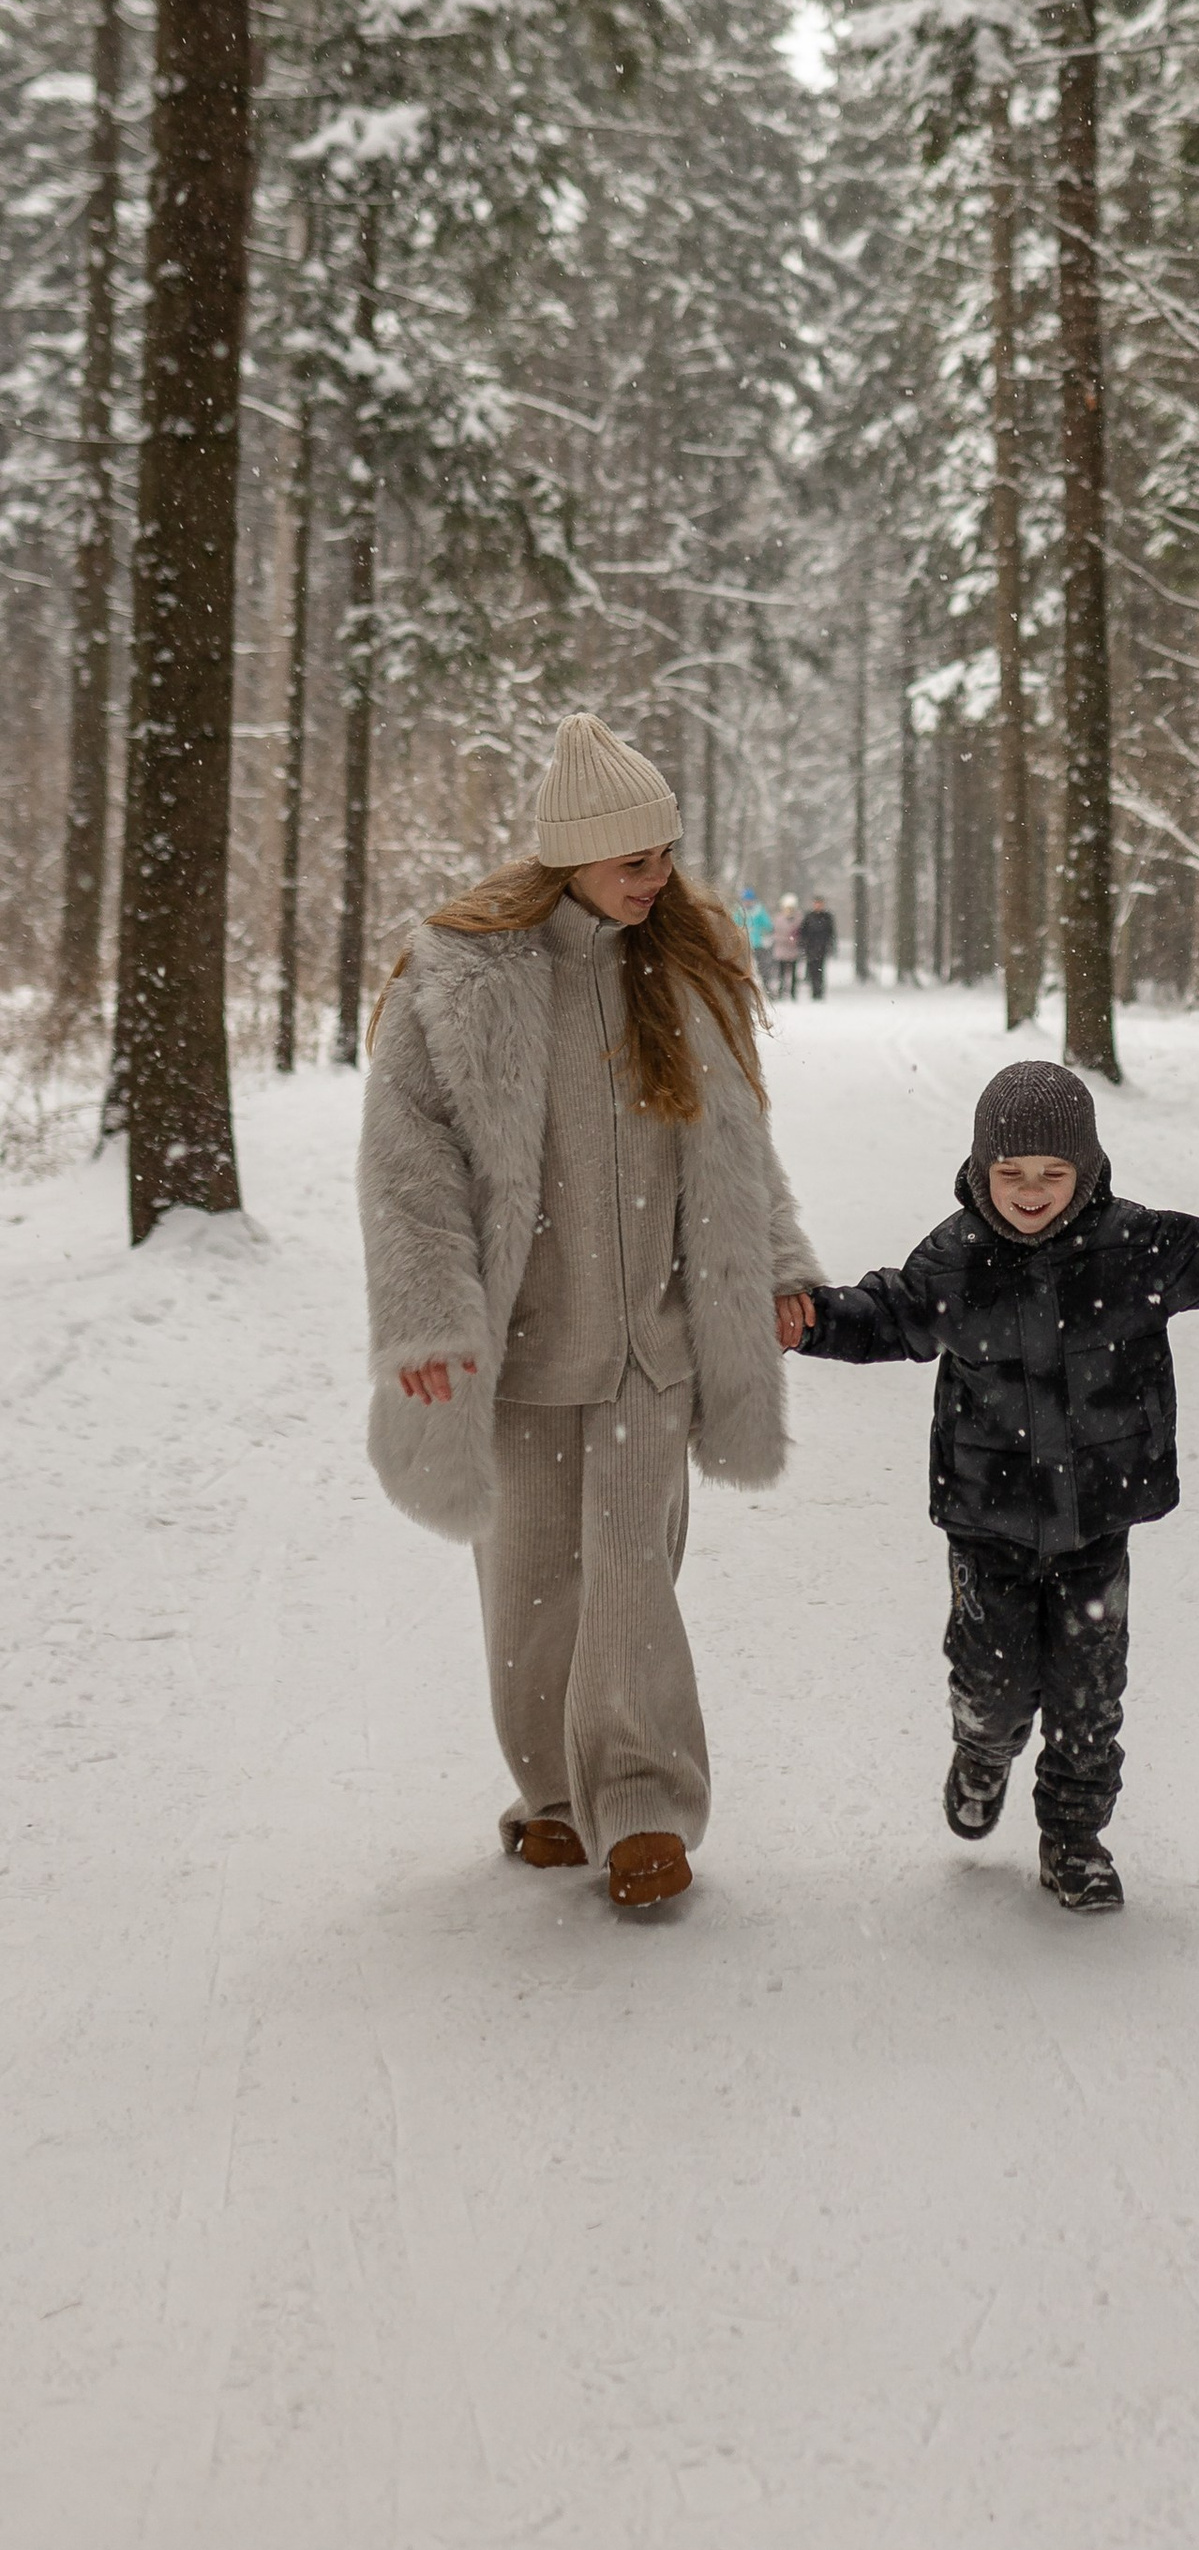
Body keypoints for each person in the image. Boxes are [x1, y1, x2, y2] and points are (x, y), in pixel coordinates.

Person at [360, 714, 822, 1910]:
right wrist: (425, 1326)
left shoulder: (688, 966)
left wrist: (778, 1268)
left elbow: (739, 1155)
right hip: (521, 1347)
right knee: (526, 1594)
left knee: (630, 1586)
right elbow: (407, 1173)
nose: (656, 877)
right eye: (634, 859)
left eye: (666, 852)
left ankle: (645, 1809)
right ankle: (553, 1797)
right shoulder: (461, 984)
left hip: (652, 1350)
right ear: (570, 854)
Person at [797, 1060, 1199, 1914]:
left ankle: (1074, 1838)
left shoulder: (1136, 1248)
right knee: (995, 1684)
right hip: (989, 1522)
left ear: (1085, 1171)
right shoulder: (954, 1258)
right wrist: (811, 1320)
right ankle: (983, 1750)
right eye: (1009, 1174)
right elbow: (888, 1314)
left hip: (1098, 1518)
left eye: (1052, 1175)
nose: (1029, 1192)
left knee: (1091, 1697)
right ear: (981, 1171)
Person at [798, 894, 838, 1003]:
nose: (818, 906)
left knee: (820, 970)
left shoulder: (827, 917)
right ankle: (813, 991)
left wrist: (831, 945)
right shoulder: (809, 916)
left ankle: (819, 991)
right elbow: (803, 932)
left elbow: (831, 933)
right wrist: (803, 944)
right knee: (812, 969)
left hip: (822, 947)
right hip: (810, 948)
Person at [774, 896, 804, 1002]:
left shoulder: (800, 919)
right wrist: (786, 939)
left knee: (794, 973)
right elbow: (775, 933)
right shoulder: (778, 919)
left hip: (793, 950)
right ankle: (781, 991)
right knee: (781, 972)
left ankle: (793, 992)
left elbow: (801, 933)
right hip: (781, 950)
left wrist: (795, 940)